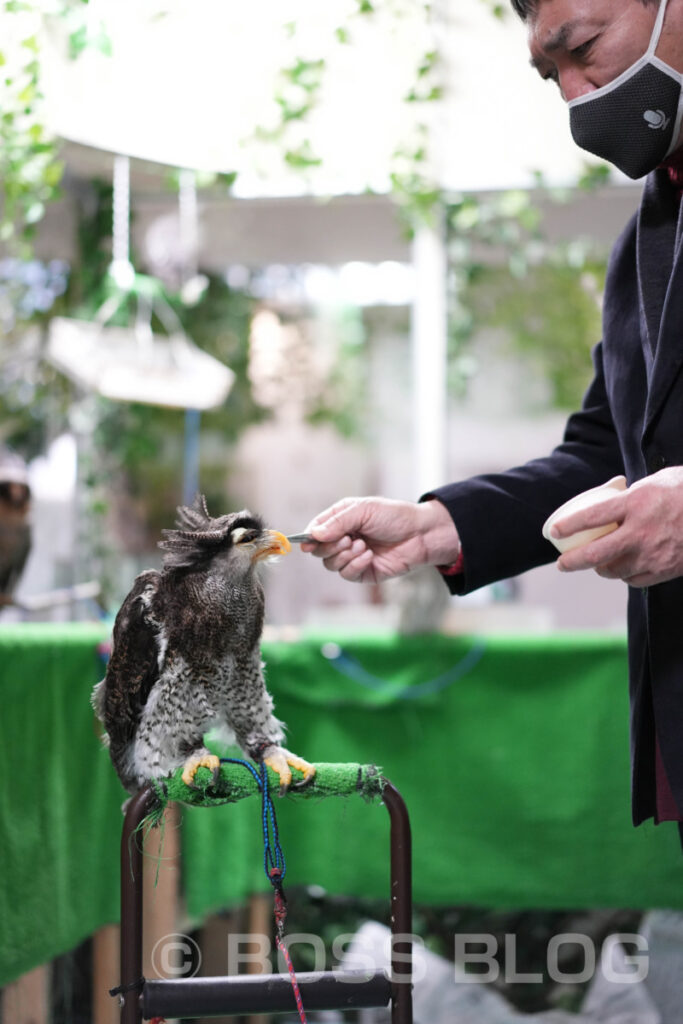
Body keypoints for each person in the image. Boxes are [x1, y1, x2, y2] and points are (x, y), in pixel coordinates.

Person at [302, 0, 683, 842]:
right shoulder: (647, 241)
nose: (578, 98)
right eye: (552, 77)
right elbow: (600, 454)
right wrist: (438, 526)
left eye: (582, 49)